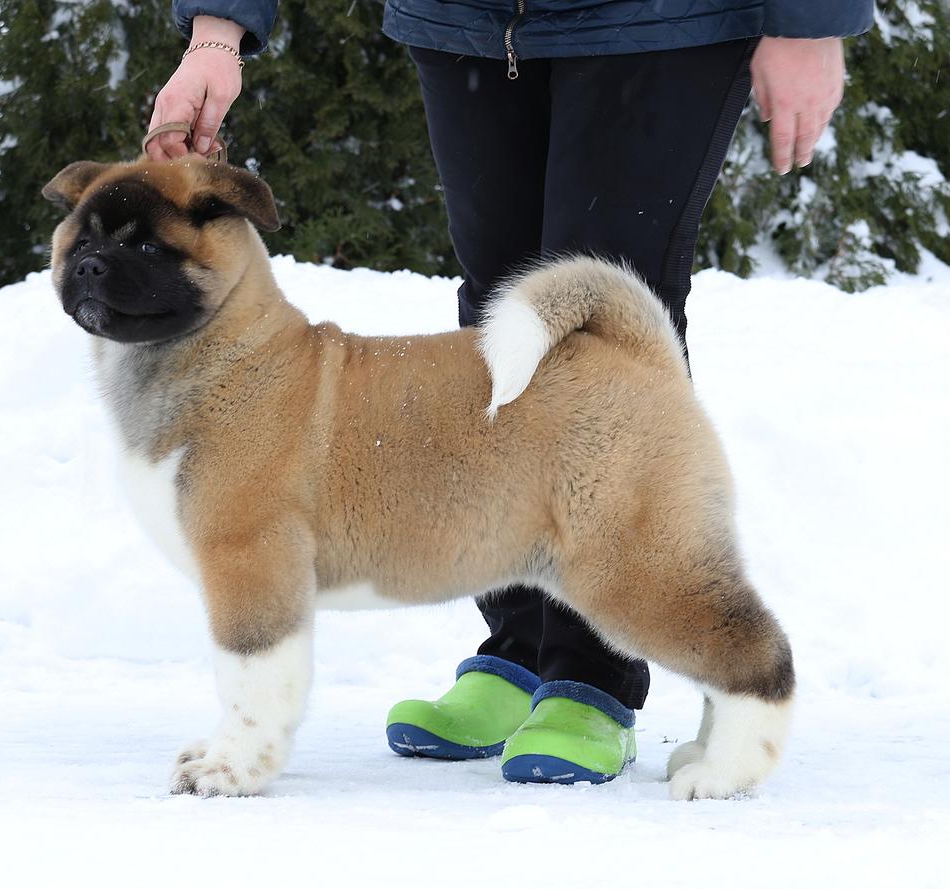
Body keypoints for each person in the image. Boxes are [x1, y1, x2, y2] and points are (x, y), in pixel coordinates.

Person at [149, 0, 873, 785]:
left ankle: (596, 675)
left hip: (662, 22)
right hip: (465, 21)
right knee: (504, 321)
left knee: (602, 345)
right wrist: (217, 29)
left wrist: (811, 17)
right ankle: (522, 648)